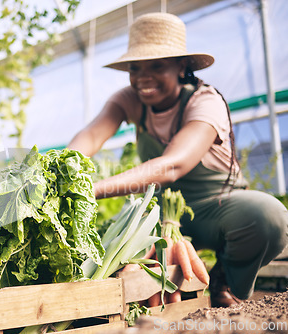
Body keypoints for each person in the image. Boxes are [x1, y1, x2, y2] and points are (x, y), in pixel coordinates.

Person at [68, 12, 288, 307]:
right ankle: (157, 288)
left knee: (269, 218)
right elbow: (92, 136)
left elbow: (173, 164)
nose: (142, 77)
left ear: (180, 65)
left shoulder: (205, 101)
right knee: (115, 250)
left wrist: (92, 189)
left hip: (216, 208)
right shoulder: (128, 99)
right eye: (135, 68)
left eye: (156, 66)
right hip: (162, 213)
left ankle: (227, 280)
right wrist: (63, 166)